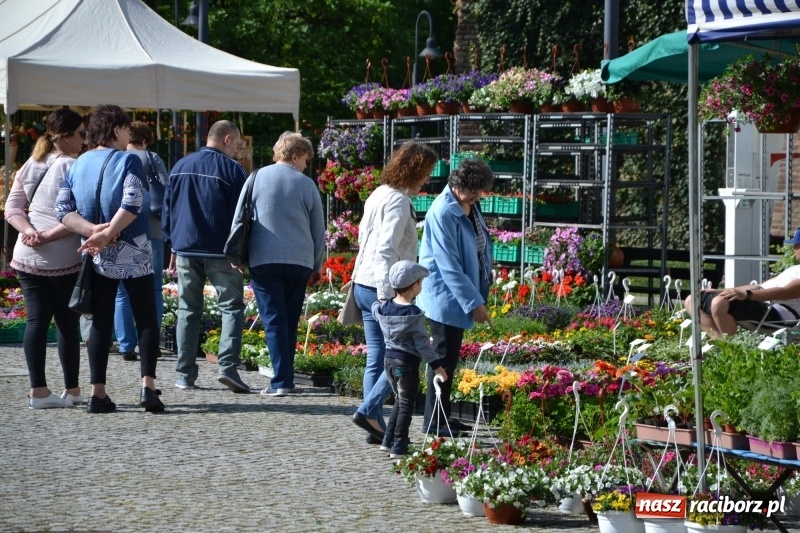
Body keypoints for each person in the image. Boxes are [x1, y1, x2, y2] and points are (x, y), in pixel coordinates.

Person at [54, 104, 163, 414]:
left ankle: (97, 392)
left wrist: (92, 233)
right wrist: (107, 232)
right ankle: (148, 388)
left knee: (101, 321)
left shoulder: (78, 163)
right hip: (134, 250)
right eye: (127, 129)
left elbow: (62, 211)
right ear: (116, 130)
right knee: (146, 318)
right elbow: (133, 202)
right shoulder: (129, 159)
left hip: (97, 255)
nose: (129, 135)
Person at [348, 142, 438, 443]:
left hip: (363, 283)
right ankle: (369, 410)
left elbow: (364, 237)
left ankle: (374, 424)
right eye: (425, 173)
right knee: (402, 358)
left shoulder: (379, 193)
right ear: (414, 169)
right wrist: (389, 296)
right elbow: (386, 250)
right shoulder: (398, 201)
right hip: (381, 288)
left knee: (377, 358)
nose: (427, 179)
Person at [162, 120, 249, 393]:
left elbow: (168, 210)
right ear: (225, 140)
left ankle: (184, 375)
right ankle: (228, 367)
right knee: (231, 308)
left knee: (188, 311)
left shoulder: (179, 166)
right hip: (221, 251)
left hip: (186, 248)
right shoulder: (233, 170)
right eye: (236, 144)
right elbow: (243, 215)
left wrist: (172, 245)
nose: (237, 150)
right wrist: (241, 251)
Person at [7, 108, 86, 408]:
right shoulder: (72, 167)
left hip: (27, 255)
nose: (84, 140)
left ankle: (38, 390)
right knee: (68, 323)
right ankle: (73, 389)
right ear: (65, 137)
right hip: (61, 257)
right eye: (80, 134)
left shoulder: (31, 163)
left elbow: (12, 208)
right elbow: (77, 216)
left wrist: (29, 232)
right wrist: (46, 236)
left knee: (37, 321)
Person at [416, 157, 494, 436]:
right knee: (442, 358)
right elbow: (449, 265)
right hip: (444, 295)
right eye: (473, 191)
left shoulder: (470, 203)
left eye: (480, 191)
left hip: (458, 294)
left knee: (449, 358)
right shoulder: (442, 212)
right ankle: (433, 422)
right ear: (457, 185)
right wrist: (474, 303)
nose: (477, 196)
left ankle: (443, 417)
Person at [243, 132, 324, 396]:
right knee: (289, 320)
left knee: (274, 320)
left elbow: (239, 217)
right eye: (305, 159)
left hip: (263, 258)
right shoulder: (307, 184)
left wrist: (237, 257)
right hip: (298, 261)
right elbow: (318, 229)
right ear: (295, 155)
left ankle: (281, 381)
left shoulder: (255, 177)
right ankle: (285, 379)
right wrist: (317, 265)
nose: (305, 165)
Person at [371, 260, 447, 458]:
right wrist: (437, 366)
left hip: (389, 363)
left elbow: (374, 309)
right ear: (414, 286)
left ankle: (388, 440)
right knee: (407, 405)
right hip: (406, 365)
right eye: (420, 282)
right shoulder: (413, 314)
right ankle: (399, 445)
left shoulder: (383, 308)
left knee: (399, 399)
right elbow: (423, 345)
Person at [114, 121, 169, 361]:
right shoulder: (151, 157)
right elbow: (167, 188)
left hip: (122, 227)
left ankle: (126, 345)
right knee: (153, 287)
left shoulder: (116, 158)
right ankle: (152, 342)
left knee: (122, 292)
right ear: (145, 139)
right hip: (152, 229)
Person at [686, 228, 800, 337]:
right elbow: (759, 286)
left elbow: (786, 292)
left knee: (719, 303)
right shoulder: (795, 268)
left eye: (796, 244)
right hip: (760, 304)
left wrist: (747, 295)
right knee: (693, 299)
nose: (793, 247)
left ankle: (731, 349)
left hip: (778, 313)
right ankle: (719, 343)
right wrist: (724, 291)